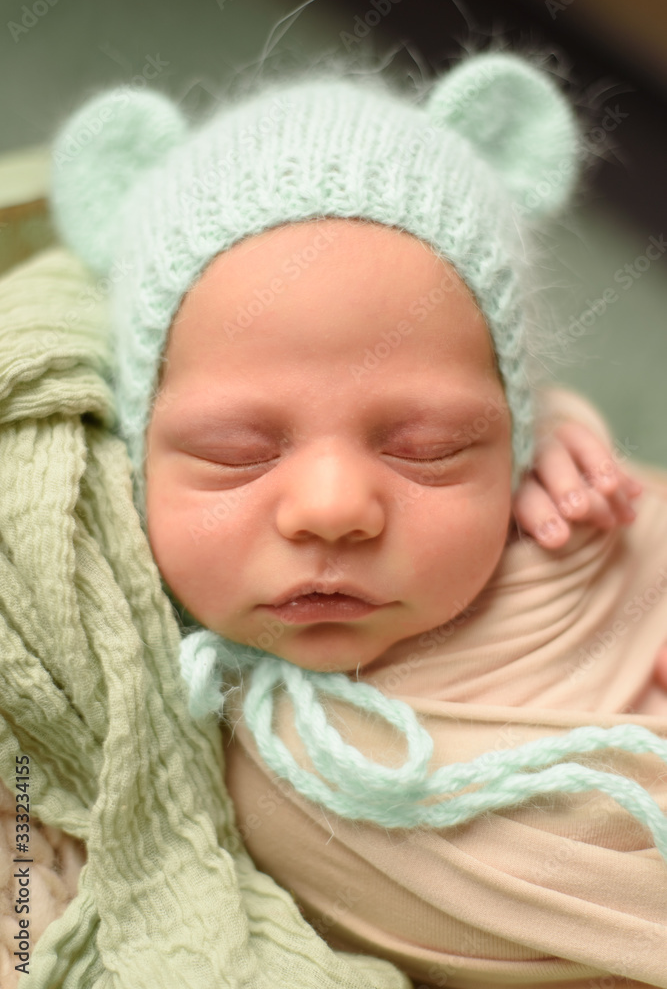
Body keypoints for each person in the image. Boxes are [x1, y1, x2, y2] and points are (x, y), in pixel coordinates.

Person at [48, 50, 667, 987]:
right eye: (235, 452)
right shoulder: (97, 641)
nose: (333, 510)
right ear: (135, 462)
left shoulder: (579, 528)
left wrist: (563, 439)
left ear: (514, 442)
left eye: (429, 447)